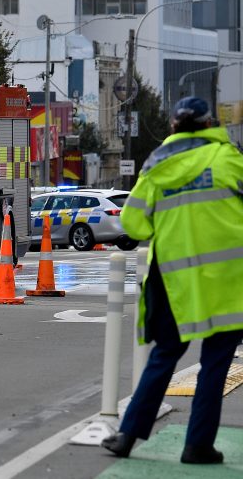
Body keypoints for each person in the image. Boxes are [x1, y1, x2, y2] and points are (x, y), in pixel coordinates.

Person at [101, 96, 243, 465]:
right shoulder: (229, 159)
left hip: (175, 284)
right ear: (211, 125)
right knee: (215, 365)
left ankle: (127, 436)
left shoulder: (156, 165)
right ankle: (197, 446)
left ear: (174, 129)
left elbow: (133, 224)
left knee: (163, 357)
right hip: (228, 283)